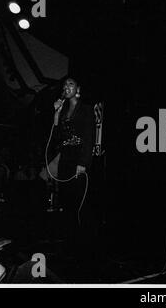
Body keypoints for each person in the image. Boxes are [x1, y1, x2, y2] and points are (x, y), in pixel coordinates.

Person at [50, 77, 95, 260]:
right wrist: (55, 113)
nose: (66, 87)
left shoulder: (85, 109)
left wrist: (83, 163)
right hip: (65, 160)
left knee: (79, 204)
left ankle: (83, 244)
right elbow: (55, 136)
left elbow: (89, 136)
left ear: (77, 88)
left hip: (78, 159)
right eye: (64, 85)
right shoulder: (62, 110)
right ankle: (69, 243)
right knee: (66, 202)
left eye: (70, 84)